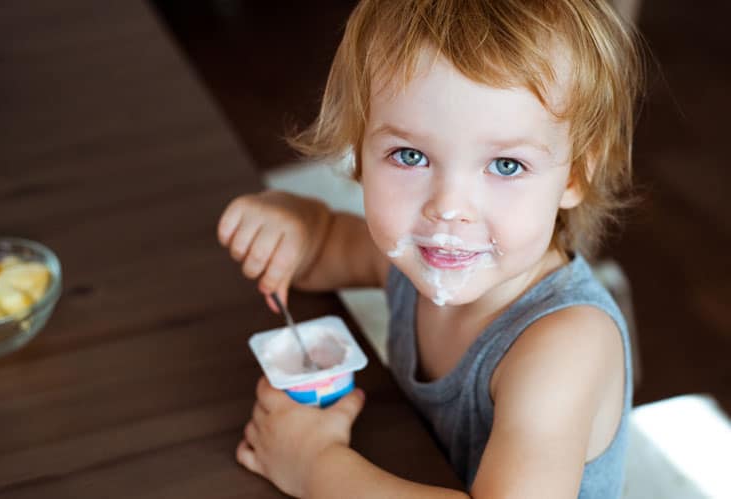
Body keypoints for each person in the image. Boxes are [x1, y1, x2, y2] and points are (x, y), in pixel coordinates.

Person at [217, 0, 644, 497]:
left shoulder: (565, 346)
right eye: (410, 155)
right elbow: (322, 251)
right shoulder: (415, 262)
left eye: (505, 165)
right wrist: (297, 225)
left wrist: (314, 465)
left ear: (573, 176)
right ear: (359, 153)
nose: (447, 209)